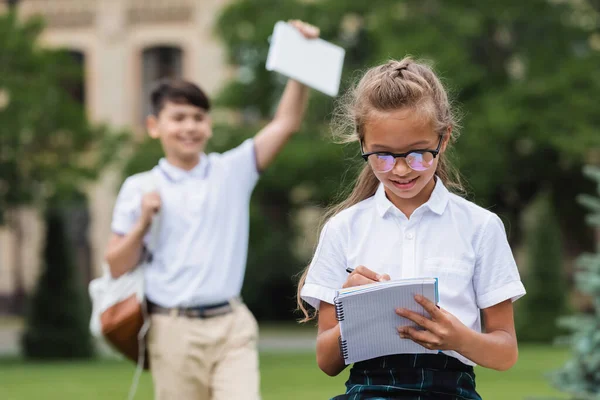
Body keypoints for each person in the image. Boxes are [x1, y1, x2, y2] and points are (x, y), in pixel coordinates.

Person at [104, 20, 320, 400]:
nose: (190, 126)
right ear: (155, 126)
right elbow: (116, 264)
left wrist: (300, 59)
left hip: (231, 325)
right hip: (172, 329)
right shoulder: (140, 187)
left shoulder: (231, 171)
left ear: (208, 124)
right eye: (179, 118)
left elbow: (286, 122)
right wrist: (142, 222)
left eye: (199, 117)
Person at [296, 57, 526, 399]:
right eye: (383, 156)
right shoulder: (343, 229)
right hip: (369, 389)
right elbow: (327, 362)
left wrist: (457, 338)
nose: (401, 170)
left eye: (418, 154)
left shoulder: (480, 227)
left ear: (443, 139)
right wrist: (354, 307)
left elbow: (505, 352)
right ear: (362, 144)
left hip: (451, 390)